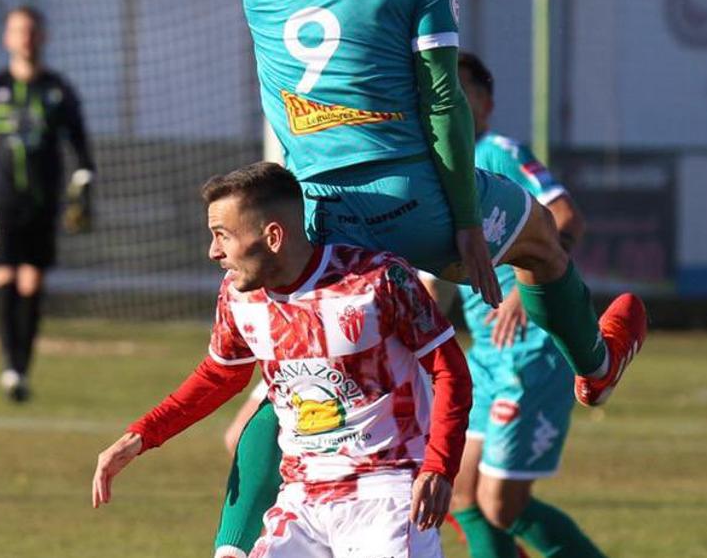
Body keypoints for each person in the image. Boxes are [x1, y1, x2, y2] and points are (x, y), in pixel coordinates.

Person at [206, 0, 646, 556]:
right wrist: (468, 226)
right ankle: (597, 365)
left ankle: (230, 549)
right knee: (542, 248)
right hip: (417, 206)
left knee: (286, 392)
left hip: (316, 213)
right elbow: (444, 98)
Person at [91, 162, 472, 557]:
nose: (213, 251)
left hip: (386, 493)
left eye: (222, 236)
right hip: (300, 498)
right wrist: (140, 436)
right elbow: (219, 376)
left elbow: (450, 372)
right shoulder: (238, 295)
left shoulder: (378, 280)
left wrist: (438, 468)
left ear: (272, 236)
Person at [430, 54, 607, 558]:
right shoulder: (441, 169)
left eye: (460, 93)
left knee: (502, 504)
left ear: (484, 104)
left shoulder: (498, 151)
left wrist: (527, 290)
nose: (447, 104)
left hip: (531, 350)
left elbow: (566, 215)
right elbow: (433, 282)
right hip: (485, 358)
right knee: (460, 493)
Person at [0, 6, 95, 402]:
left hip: (43, 200)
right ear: (7, 38)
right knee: (4, 277)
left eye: (32, 30)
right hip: (0, 197)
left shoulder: (58, 90)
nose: (25, 37)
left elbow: (80, 147)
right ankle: (10, 368)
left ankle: (22, 368)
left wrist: (83, 190)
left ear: (43, 37)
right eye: (18, 30)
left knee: (32, 281)